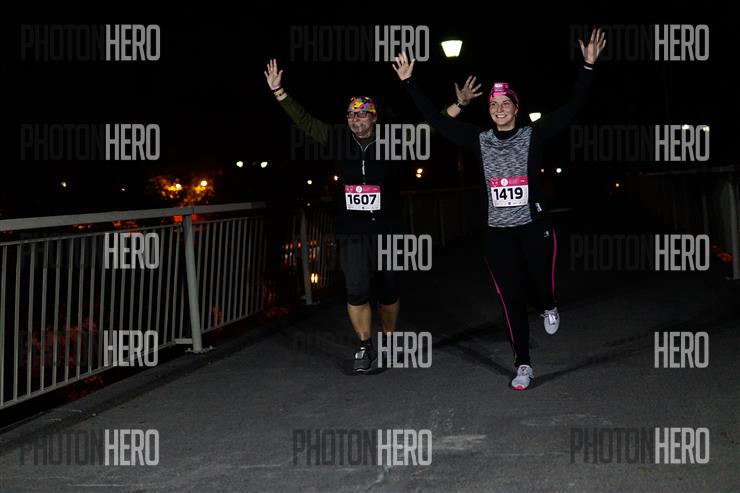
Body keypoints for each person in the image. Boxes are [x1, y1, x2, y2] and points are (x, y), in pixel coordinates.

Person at [392, 29, 606, 389]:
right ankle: (523, 363)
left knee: (541, 281)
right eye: (493, 105)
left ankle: (549, 304)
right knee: (510, 296)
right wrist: (409, 82)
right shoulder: (480, 139)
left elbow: (572, 108)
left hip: (532, 224)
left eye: (505, 104)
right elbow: (439, 122)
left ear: (516, 109)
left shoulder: (532, 135)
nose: (499, 109)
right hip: (498, 233)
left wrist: (587, 66)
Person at [264, 59, 482, 372]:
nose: (356, 119)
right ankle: (365, 347)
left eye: (362, 113)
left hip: (387, 228)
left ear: (374, 117)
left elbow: (431, 127)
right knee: (356, 290)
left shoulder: (393, 139)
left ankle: (389, 339)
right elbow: (305, 122)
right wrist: (279, 92)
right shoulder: (337, 137)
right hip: (352, 230)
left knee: (389, 290)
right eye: (351, 114)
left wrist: (459, 104)